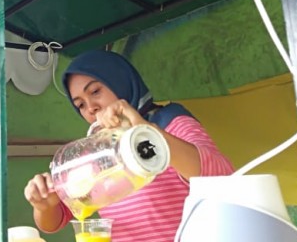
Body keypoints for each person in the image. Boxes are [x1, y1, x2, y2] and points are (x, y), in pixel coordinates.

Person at [24, 50, 234, 242]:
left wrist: (144, 131)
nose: (91, 108)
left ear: (120, 81)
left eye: (95, 91)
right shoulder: (98, 151)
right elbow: (57, 219)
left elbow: (220, 177)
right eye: (80, 104)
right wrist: (44, 205)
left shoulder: (169, 122)